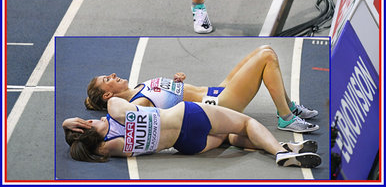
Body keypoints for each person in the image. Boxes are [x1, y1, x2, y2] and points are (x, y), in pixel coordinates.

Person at [84, 46, 319, 133]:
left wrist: (177, 81)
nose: (113, 75)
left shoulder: (139, 86)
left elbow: (170, 95)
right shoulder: (139, 102)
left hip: (217, 90)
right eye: (108, 79)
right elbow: (129, 116)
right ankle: (286, 118)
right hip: (219, 104)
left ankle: (288, 107)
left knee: (264, 49)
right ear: (108, 95)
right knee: (267, 57)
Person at [63, 96, 322, 169]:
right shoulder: (113, 107)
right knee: (244, 124)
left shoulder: (107, 147)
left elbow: (88, 145)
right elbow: (129, 107)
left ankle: (289, 150)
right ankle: (279, 150)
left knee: (229, 137)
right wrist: (68, 123)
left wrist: (79, 133)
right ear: (82, 126)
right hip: (188, 115)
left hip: (187, 145)